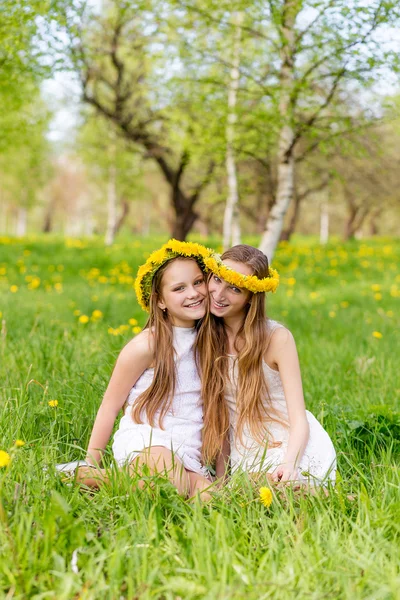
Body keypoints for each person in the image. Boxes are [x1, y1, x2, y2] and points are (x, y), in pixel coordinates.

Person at [67, 239, 215, 500]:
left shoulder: (211, 340)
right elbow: (110, 406)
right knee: (170, 487)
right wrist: (93, 459)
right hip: (148, 441)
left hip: (187, 448)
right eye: (179, 288)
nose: (193, 293)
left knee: (212, 500)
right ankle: (82, 474)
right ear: (160, 302)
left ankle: (134, 481)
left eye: (198, 282)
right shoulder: (148, 344)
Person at [197, 244, 336, 487]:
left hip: (290, 443)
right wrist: (222, 478)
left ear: (251, 297)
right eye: (217, 280)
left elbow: (298, 417)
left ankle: (327, 496)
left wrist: (289, 463)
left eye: (234, 289)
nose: (219, 295)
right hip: (247, 448)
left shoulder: (277, 338)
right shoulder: (205, 338)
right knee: (249, 494)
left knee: (277, 489)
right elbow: (220, 418)